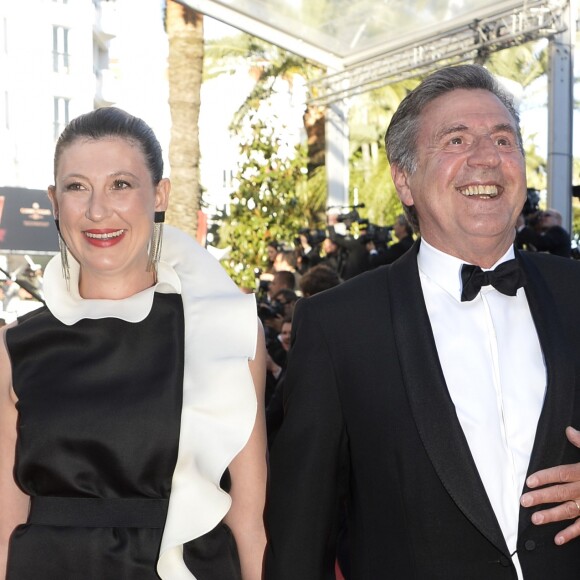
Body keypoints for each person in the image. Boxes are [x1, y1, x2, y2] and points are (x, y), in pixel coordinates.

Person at [265, 64, 580, 579]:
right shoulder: (338, 327)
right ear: (404, 180)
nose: (486, 158)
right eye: (456, 140)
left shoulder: (576, 293)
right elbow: (301, 536)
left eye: (503, 140)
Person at [0, 107, 267, 580]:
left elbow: (250, 520)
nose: (97, 210)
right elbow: (5, 519)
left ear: (159, 195)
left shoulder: (226, 330)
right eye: (76, 187)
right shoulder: (15, 347)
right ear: (53, 201)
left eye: (121, 185)